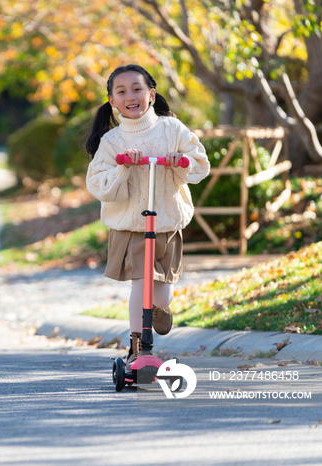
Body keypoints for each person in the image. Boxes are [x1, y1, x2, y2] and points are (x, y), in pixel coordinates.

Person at [84, 64, 210, 370]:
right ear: (112, 101)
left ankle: (160, 309)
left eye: (137, 89)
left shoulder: (172, 130)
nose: (131, 96)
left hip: (166, 222)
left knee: (162, 290)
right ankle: (137, 347)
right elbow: (97, 183)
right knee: (140, 284)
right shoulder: (112, 142)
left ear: (151, 95)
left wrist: (180, 161)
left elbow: (200, 164)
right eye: (122, 91)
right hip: (132, 226)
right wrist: (123, 166)